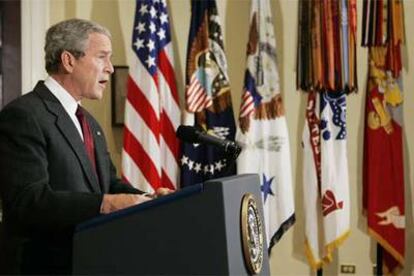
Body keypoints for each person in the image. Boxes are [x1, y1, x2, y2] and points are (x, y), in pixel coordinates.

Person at [0, 18, 170, 275]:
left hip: (88, 261)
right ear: (69, 60)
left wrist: (150, 200)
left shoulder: (88, 122)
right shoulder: (24, 115)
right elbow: (29, 200)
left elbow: (108, 184)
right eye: (102, 57)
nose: (111, 69)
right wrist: (107, 204)